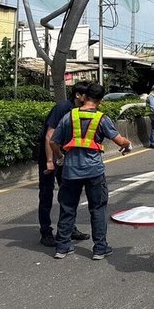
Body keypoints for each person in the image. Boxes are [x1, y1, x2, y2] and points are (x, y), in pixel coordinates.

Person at [50, 83, 132, 260]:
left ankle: (62, 247)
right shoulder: (101, 119)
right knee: (98, 209)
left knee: (67, 207)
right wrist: (127, 145)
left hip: (70, 170)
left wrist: (60, 157)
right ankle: (99, 249)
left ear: (85, 96)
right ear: (100, 100)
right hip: (94, 170)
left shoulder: (69, 116)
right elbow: (119, 140)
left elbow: (53, 142)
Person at [37, 81, 90, 248]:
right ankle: (45, 232)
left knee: (68, 194)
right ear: (78, 96)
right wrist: (50, 162)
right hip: (49, 156)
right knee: (46, 194)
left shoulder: (79, 111)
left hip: (63, 156)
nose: (88, 99)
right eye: (86, 96)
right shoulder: (62, 108)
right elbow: (49, 137)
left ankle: (70, 228)